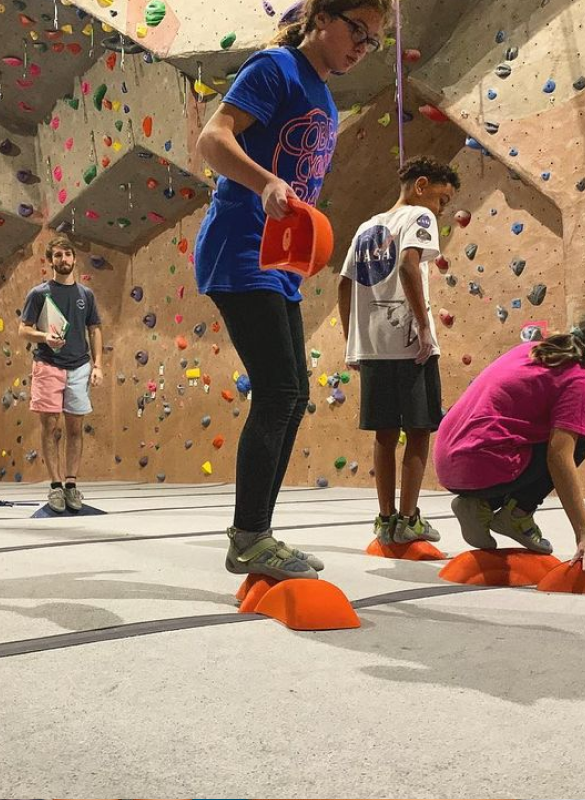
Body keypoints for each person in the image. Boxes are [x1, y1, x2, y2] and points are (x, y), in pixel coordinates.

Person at [191, 0, 388, 580]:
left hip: (277, 261)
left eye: (372, 40)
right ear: (323, 16)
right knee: (279, 391)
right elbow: (212, 139)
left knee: (293, 394)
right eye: (357, 29)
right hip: (239, 246)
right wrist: (266, 181)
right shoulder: (274, 67)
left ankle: (258, 534)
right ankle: (249, 536)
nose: (361, 45)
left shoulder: (325, 96)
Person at [337, 156, 460, 546]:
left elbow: (344, 284)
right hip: (409, 346)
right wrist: (424, 327)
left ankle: (386, 519)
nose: (441, 209)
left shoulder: (366, 227)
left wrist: (352, 340)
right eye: (442, 199)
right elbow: (409, 267)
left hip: (373, 347)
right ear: (421, 185)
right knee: (419, 430)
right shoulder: (419, 218)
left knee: (385, 434)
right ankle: (409, 519)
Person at [437, 312, 585, 572]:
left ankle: (480, 505)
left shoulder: (531, 350)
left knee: (538, 436)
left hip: (447, 463)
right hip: (479, 464)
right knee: (584, 437)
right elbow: (559, 458)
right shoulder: (580, 378)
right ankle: (517, 514)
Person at [16, 234, 103, 512]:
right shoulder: (39, 293)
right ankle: (54, 485)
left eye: (67, 254)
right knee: (50, 427)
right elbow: (23, 329)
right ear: (50, 261)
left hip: (79, 367)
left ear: (74, 259)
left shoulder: (86, 295)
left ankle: (71, 483)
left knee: (75, 427)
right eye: (57, 255)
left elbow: (95, 329)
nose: (63, 260)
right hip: (47, 365)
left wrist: (98, 365)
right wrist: (44, 337)